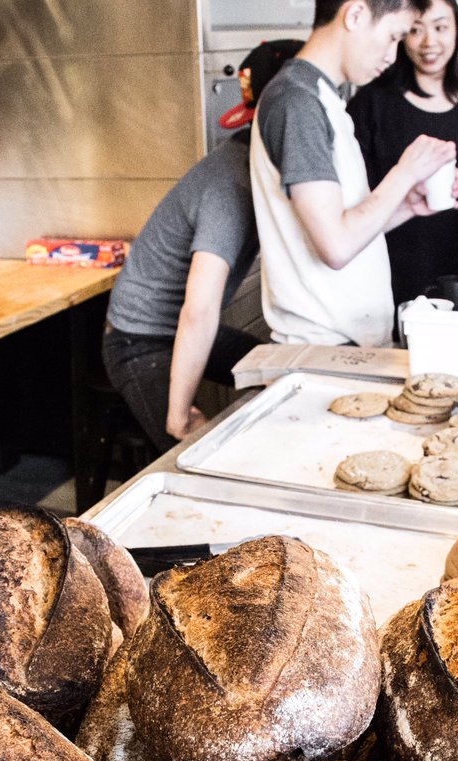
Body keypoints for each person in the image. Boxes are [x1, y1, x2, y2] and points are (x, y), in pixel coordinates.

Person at [102, 40, 303, 459]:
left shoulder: (261, 168)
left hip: (179, 329)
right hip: (141, 340)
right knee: (197, 455)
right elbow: (200, 307)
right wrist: (179, 414)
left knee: (288, 379)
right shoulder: (232, 184)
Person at [249, 0, 458, 348]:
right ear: (356, 14)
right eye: (393, 36)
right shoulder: (298, 102)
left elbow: (343, 226)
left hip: (350, 346)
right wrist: (403, 174)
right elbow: (335, 245)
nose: (393, 55)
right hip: (323, 348)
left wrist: (405, 206)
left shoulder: (324, 98)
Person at [348, 0, 458, 310]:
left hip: (450, 276)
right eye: (416, 30)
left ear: (457, 30)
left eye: (441, 27)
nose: (430, 42)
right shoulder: (372, 102)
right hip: (380, 276)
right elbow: (351, 199)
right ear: (402, 34)